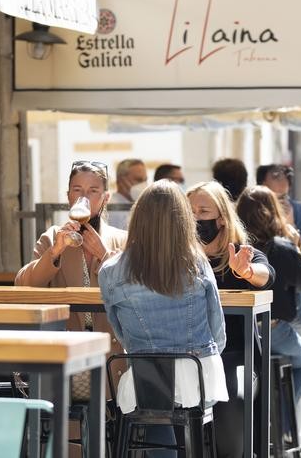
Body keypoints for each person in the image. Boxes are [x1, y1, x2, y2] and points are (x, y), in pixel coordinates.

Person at [99, 180, 229, 457]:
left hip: (144, 376)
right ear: (182, 220)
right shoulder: (197, 262)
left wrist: (148, 351)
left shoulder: (110, 270)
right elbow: (218, 332)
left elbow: (121, 332)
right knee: (175, 394)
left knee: (152, 393)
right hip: (198, 371)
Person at [15, 161, 127, 411]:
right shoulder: (53, 236)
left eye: (93, 191)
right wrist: (55, 251)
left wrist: (104, 254)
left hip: (111, 354)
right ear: (68, 197)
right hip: (66, 351)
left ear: (105, 197)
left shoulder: (122, 239)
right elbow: (23, 285)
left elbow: (134, 289)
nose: (84, 197)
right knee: (70, 431)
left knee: (109, 430)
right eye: (77, 190)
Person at [187, 181, 274, 458]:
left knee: (231, 404)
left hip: (235, 358)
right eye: (189, 212)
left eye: (202, 211)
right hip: (188, 359)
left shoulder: (241, 253)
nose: (195, 218)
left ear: (222, 218)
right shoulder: (179, 259)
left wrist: (247, 272)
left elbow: (266, 275)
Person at [236, 185, 301, 403]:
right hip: (273, 330)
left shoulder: (232, 250)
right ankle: (282, 420)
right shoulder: (282, 248)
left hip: (239, 333)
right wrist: (298, 244)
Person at [256, 164, 301, 246]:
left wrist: (291, 226)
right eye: (273, 197)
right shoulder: (253, 211)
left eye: (283, 197)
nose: (277, 204)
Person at [108, 158, 148, 230]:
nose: (143, 184)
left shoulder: (143, 207)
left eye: (145, 180)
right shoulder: (110, 208)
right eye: (139, 180)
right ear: (122, 180)